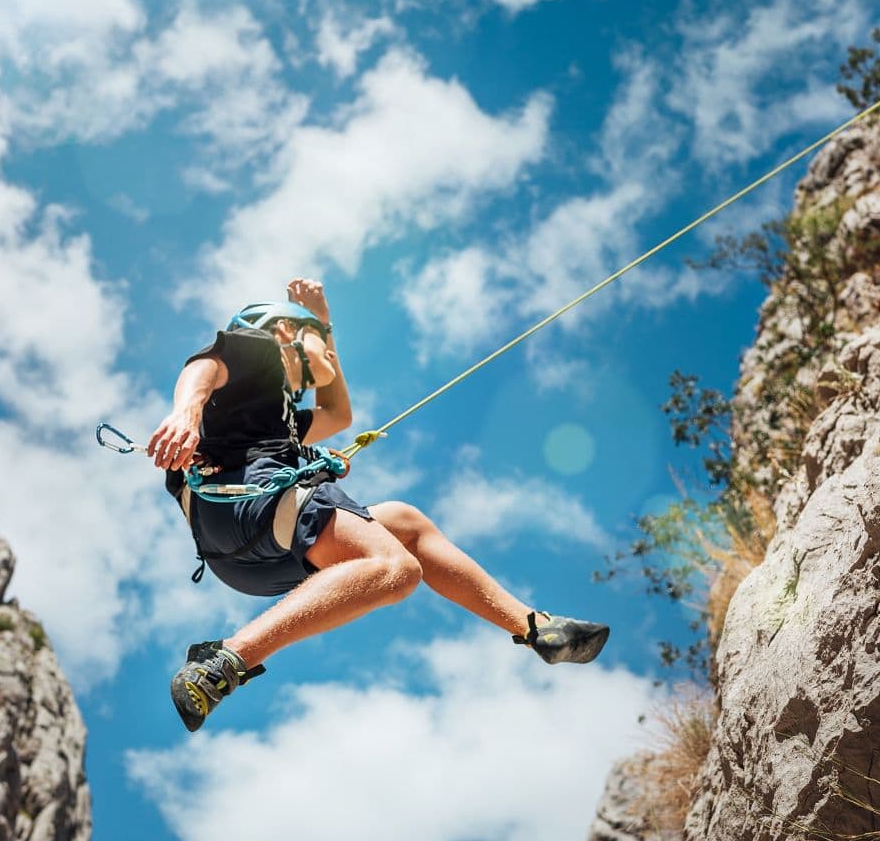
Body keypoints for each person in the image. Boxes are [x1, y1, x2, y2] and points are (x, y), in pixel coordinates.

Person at [149, 278, 610, 732]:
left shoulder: (279, 415)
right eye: (318, 343)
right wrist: (185, 413)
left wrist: (322, 327)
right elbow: (206, 365)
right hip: (252, 506)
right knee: (396, 567)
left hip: (243, 554)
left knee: (404, 521)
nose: (329, 354)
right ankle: (227, 661)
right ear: (284, 333)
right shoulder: (259, 350)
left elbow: (339, 415)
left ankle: (535, 628)